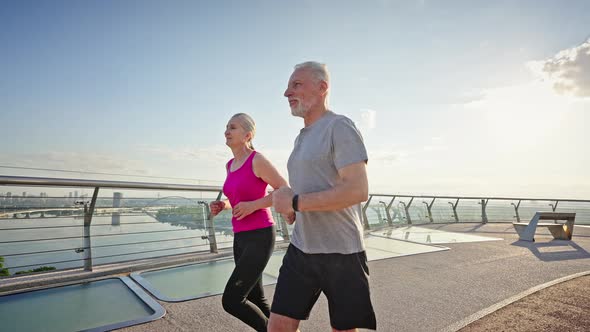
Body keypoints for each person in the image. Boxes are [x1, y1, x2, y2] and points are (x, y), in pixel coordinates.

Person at [269, 62, 377, 332]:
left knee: (343, 330)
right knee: (278, 326)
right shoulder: (301, 137)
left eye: (296, 85)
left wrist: (295, 202)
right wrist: (293, 207)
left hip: (342, 252)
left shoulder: (339, 126)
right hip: (301, 249)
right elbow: (310, 188)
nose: (286, 93)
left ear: (322, 87)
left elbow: (357, 190)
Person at [209, 113, 290, 332]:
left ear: (247, 135)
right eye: (226, 126)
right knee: (256, 297)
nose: (227, 131)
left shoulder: (257, 159)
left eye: (232, 127)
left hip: (260, 235)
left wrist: (254, 205)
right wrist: (223, 205)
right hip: (241, 237)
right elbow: (237, 198)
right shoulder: (230, 165)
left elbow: (284, 190)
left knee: (232, 300)